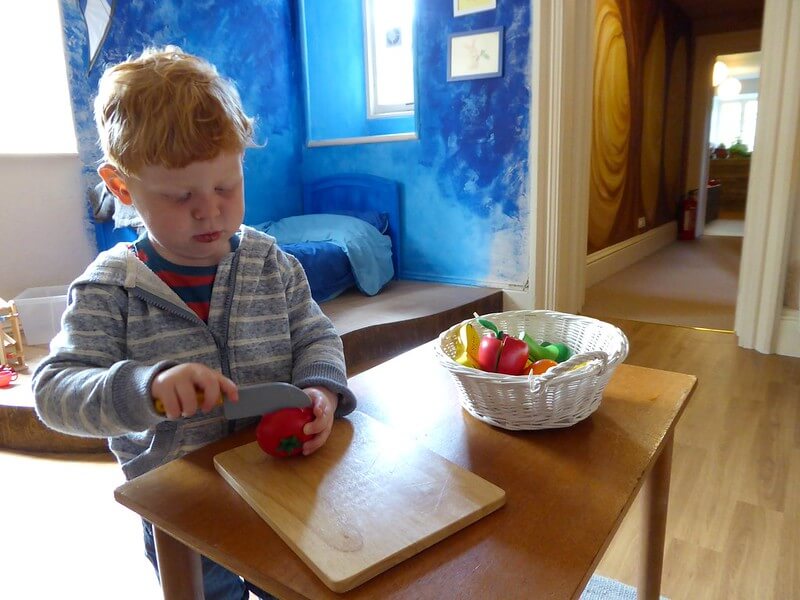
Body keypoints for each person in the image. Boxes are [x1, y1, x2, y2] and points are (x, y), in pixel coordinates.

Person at [33, 46, 356, 600]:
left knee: (298, 584)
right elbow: (54, 390)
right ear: (122, 188)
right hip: (183, 507)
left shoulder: (270, 261)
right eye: (182, 196)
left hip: (282, 480)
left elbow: (314, 332)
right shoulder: (110, 287)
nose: (210, 211)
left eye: (226, 187)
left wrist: (321, 388)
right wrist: (147, 388)